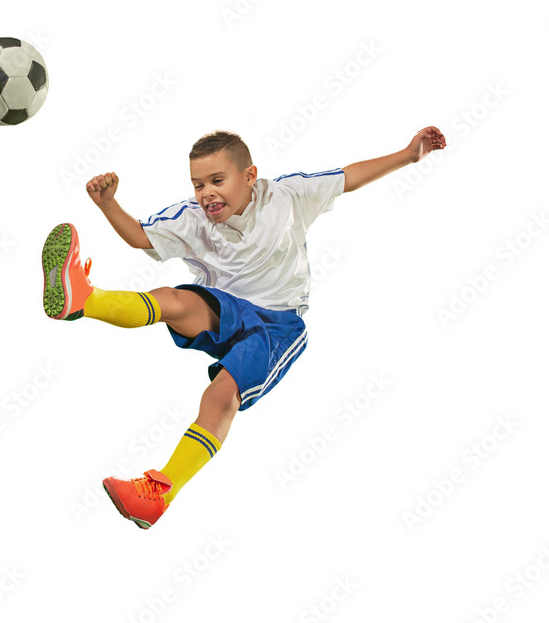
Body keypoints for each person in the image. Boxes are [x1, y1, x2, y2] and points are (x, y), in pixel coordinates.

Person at [40, 126, 446, 529]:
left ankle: (159, 494)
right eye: (198, 184)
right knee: (174, 299)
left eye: (218, 180)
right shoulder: (193, 219)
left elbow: (349, 176)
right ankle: (84, 300)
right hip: (226, 310)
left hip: (277, 324)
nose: (206, 193)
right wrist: (109, 204)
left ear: (250, 177)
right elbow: (141, 238)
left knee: (221, 395)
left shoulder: (288, 196)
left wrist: (408, 155)